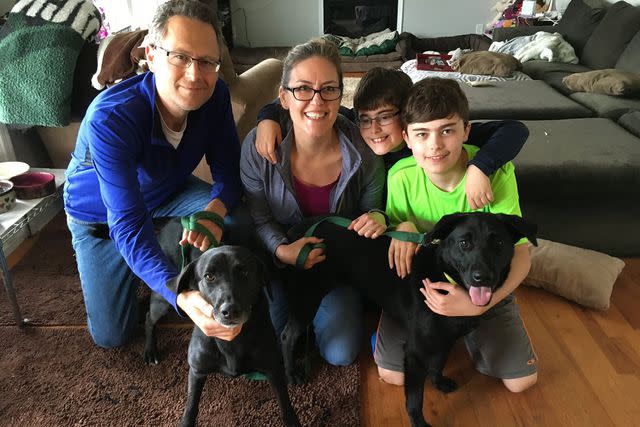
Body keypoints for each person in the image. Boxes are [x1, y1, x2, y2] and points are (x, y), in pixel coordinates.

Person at [64, 0, 246, 348]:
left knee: (238, 218)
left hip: (168, 192)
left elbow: (229, 173)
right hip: (100, 219)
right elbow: (127, 225)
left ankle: (162, 241)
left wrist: (215, 212)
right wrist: (179, 294)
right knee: (112, 337)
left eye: (207, 62)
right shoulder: (111, 118)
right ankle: (142, 260)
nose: (196, 75)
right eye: (180, 56)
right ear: (151, 54)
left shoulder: (216, 94)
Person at [374, 77, 538, 392]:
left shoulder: (497, 172)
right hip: (424, 287)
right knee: (395, 375)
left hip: (486, 282)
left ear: (466, 130)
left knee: (521, 382)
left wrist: (480, 305)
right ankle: (432, 333)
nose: (434, 145)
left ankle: (467, 331)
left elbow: (520, 254)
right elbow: (396, 235)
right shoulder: (400, 177)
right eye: (422, 134)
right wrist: (399, 227)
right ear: (407, 138)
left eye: (447, 130)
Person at [240, 38, 386, 366]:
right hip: (280, 263)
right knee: (273, 342)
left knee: (341, 353)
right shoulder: (257, 148)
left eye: (329, 89)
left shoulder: (364, 153)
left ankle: (322, 318)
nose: (317, 102)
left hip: (336, 266)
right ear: (283, 97)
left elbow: (373, 208)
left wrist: (378, 217)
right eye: (303, 89)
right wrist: (282, 251)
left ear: (340, 94)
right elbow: (260, 218)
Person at [253, 67, 529, 234]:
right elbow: (311, 108)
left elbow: (514, 129)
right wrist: (267, 116)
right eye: (366, 118)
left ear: (408, 117)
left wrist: (479, 166)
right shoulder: (354, 125)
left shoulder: (432, 138)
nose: (374, 129)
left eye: (385, 117)